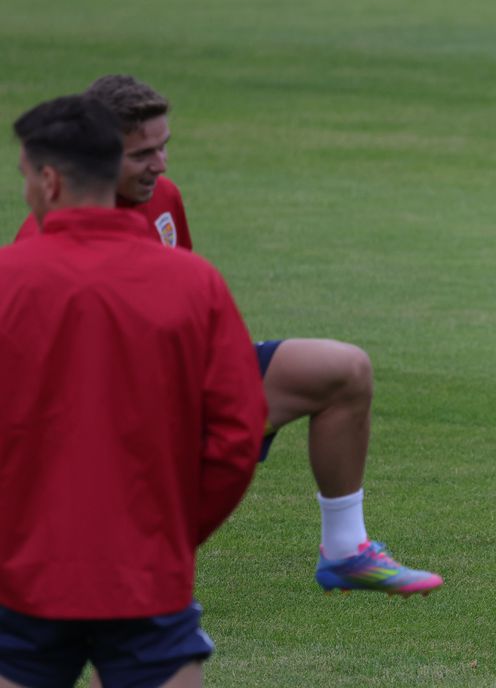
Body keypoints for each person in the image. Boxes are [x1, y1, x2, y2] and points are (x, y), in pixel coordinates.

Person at [12, 75, 442, 598]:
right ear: (98, 152)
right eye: (142, 154)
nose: (160, 164)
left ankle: (345, 550)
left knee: (342, 370)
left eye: (164, 147)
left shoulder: (164, 197)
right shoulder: (44, 241)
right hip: (124, 416)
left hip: (184, 384)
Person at [0, 95, 265, 687]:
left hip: (21, 583)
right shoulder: (195, 283)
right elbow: (237, 433)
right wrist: (171, 534)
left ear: (48, 181)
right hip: (147, 582)